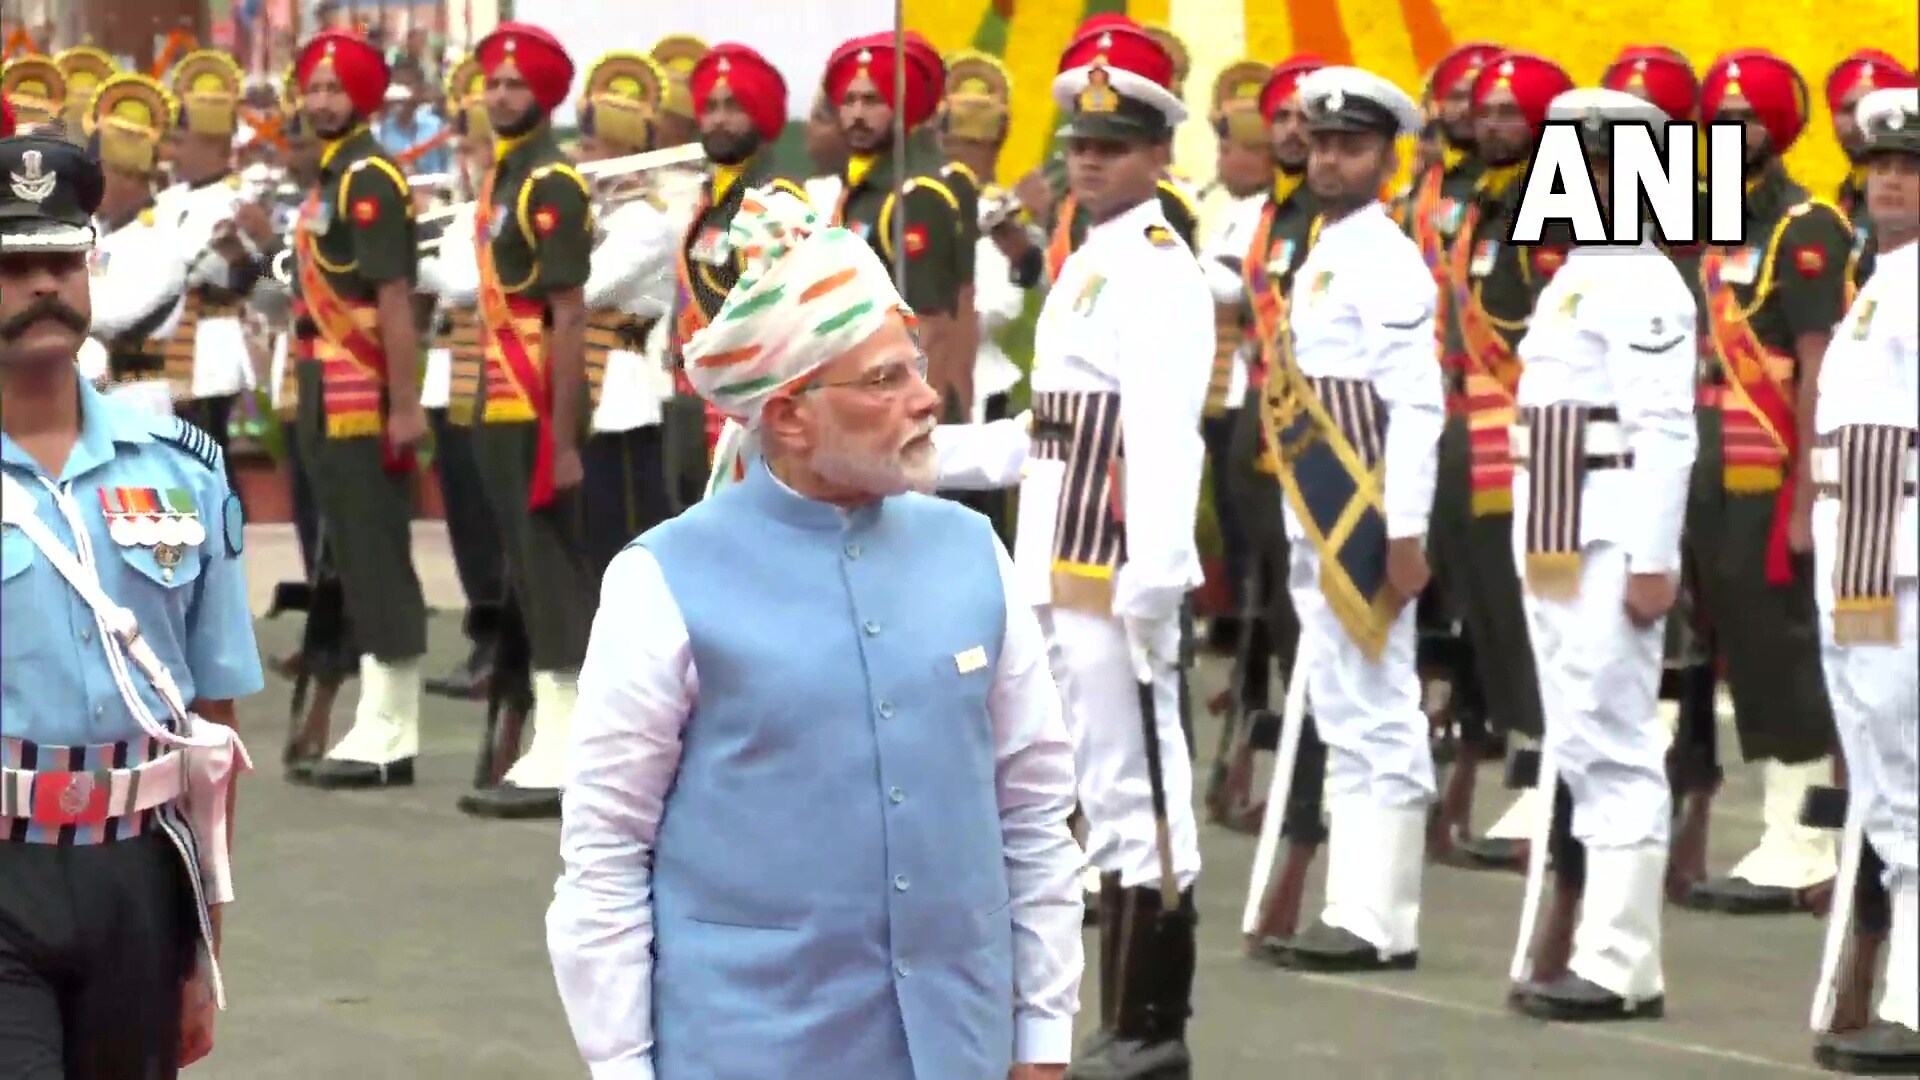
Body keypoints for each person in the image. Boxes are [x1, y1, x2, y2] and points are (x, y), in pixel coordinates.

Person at [547, 186, 1082, 1080]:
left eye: (915, 367)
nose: (924, 400)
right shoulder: (663, 581)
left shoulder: (973, 551)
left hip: (962, 1046)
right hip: (750, 1050)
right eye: (884, 380)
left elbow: (1033, 814)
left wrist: (1043, 1040)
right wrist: (623, 1067)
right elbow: (604, 854)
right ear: (789, 414)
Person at [0, 132, 260, 1078]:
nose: (43, 288)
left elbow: (212, 729)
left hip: (139, 872)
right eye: (14, 265)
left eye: (62, 262)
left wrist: (205, 945)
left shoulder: (181, 469)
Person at [1020, 23, 1210, 1078]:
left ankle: (1152, 1021)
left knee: (1139, 782)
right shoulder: (1088, 260)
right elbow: (1053, 421)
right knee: (1094, 775)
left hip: (1114, 558)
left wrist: (1157, 571)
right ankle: (1121, 1018)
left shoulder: (1154, 267)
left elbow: (1162, 426)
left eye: (1116, 143)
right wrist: (929, 456)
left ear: (1155, 154)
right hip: (1060, 547)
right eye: (1081, 140)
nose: (1090, 157)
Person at [1503, 88, 1700, 1022]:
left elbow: (1664, 430)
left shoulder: (1647, 282)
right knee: (1578, 734)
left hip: (1610, 530)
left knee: (1614, 739)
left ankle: (1622, 962)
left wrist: (1654, 559)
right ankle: (1596, 947)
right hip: (1554, 531)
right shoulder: (1577, 273)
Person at [1259, 64, 1441, 976]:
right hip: (1318, 512)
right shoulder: (1325, 249)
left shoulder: (1388, 260)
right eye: (1321, 142)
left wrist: (1404, 531)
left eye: (1351, 146)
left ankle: (1381, 915)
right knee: (1340, 698)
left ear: (1386, 157)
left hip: (1365, 516)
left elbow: (1416, 405)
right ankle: (1351, 903)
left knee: (1379, 704)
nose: (1330, 159)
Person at [1680, 48, 1852, 916]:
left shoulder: (1806, 225)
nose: (1732, 133)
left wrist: (1813, 495)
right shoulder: (1706, 214)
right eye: (1721, 119)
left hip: (1774, 471)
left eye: (1748, 119)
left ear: (1780, 127)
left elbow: (1821, 369)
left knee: (1786, 653)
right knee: (1742, 652)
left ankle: (1809, 837)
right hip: (1709, 469)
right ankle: (1781, 826)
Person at [1432, 51, 1575, 872]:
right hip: (1465, 435)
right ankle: (1527, 765)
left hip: (1525, 442)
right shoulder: (1485, 203)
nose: (1490, 126)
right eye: (1484, 111)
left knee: (1529, 615)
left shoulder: (1559, 207)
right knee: (1486, 613)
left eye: (1509, 114)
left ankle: (1545, 780)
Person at [280, 30, 432, 791]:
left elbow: (394, 299)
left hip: (360, 393)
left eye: (336, 89)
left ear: (364, 99)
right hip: (320, 388)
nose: (321, 101)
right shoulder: (333, 179)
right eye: (313, 88)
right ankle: (375, 713)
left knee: (374, 550)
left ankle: (393, 724)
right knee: (345, 547)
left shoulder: (369, 178)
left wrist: (404, 405)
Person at [457, 23, 597, 821]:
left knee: (550, 570)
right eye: (494, 82)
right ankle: (554, 728)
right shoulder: (507, 177)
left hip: (540, 404)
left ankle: (570, 741)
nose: (501, 95)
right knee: (524, 564)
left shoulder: (550, 182)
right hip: (497, 400)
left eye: (516, 84)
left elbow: (569, 314)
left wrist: (567, 437)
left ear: (544, 96)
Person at [1807, 84, 1918, 1075]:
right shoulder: (1876, 277)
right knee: (1882, 776)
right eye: (1882, 162)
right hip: (1861, 543)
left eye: (1913, 166)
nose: (1891, 176)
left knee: (1913, 771)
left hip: (1906, 548)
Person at [1399, 40, 1502, 859]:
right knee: (1429, 602)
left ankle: (1479, 763)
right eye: (1457, 101)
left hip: (1492, 419)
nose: (1463, 117)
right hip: (1421, 412)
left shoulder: (1514, 196)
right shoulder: (1416, 198)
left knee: (1483, 607)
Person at [1231, 54, 1325, 947]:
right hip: (1263, 436)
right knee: (1276, 624)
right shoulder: (1272, 217)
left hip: (1327, 452)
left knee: (1316, 641)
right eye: (1284, 119)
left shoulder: (1344, 224)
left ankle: (1308, 813)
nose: (1294, 134)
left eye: (1309, 120)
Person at [669, 42, 806, 494]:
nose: (719, 119)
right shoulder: (713, 201)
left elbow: (787, 318)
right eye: (710, 107)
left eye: (734, 106)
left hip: (749, 409)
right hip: (698, 401)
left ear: (761, 115)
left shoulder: (775, 200)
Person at [822, 31, 974, 420]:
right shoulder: (861, 190)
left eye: (873, 100)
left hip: (902, 417)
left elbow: (933, 331)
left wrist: (918, 430)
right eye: (849, 100)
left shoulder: (915, 196)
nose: (857, 114)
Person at [420, 52, 508, 701]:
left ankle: (504, 644)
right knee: (464, 517)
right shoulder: (463, 210)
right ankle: (483, 636)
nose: (465, 153)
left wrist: (408, 264)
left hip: (494, 377)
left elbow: (469, 285)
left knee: (492, 514)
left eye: (474, 142)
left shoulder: (503, 211)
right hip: (451, 375)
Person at [574, 51, 679, 579]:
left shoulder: (645, 222)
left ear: (621, 153)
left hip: (623, 385)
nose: (579, 154)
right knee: (593, 526)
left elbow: (587, 289)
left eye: (591, 146)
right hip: (588, 382)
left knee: (628, 525)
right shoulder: (605, 216)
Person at [159, 49, 269, 488]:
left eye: (181, 141)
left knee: (210, 454)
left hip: (212, 341)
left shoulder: (237, 198)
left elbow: (244, 279)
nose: (172, 151)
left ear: (209, 143)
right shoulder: (167, 201)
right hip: (170, 342)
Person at [82, 72, 189, 401]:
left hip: (143, 396)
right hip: (96, 398)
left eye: (99, 173)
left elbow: (116, 313)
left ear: (128, 177)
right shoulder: (97, 231)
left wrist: (56, 305)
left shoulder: (163, 238)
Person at [1825, 52, 1917, 290]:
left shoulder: (1898, 203)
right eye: (1847, 109)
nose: (1856, 120)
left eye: (1908, 168)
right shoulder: (1837, 203)